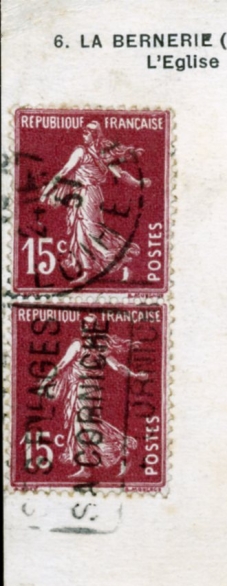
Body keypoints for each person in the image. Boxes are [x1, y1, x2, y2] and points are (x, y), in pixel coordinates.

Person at [39, 121, 151, 283]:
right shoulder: (91, 153)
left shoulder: (91, 153)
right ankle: (87, 272)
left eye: (87, 133)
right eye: (84, 132)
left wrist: (138, 183)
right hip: (83, 195)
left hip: (88, 194)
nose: (84, 135)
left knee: (91, 231)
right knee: (80, 232)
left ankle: (118, 261)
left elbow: (65, 172)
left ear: (95, 135)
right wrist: (138, 183)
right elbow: (66, 171)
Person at [37, 316, 148, 478]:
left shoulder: (97, 346)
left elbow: (117, 366)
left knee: (89, 426)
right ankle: (86, 467)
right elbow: (62, 365)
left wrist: (135, 375)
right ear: (83, 329)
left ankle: (122, 449)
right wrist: (45, 382)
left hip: (87, 390)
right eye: (87, 327)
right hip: (78, 389)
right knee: (78, 428)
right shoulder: (84, 345)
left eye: (91, 327)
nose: (88, 331)